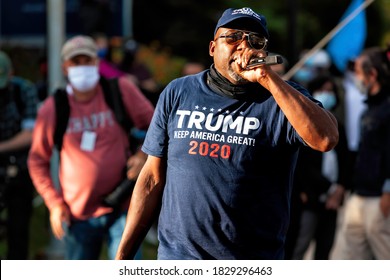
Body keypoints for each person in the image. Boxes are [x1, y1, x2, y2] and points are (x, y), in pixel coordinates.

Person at [115, 7, 338, 260]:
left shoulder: (281, 98)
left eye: (255, 41)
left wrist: (268, 78)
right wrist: (123, 257)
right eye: (232, 37)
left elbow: (325, 139)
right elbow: (151, 179)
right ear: (212, 48)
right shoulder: (178, 92)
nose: (243, 46)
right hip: (179, 258)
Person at [27, 35, 155, 260]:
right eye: (76, 62)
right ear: (65, 67)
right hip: (78, 214)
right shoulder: (54, 107)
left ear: (97, 63)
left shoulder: (119, 89)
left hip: (124, 205)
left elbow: (158, 125)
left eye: (87, 60)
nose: (82, 67)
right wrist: (54, 203)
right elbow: (37, 160)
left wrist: (142, 154)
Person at [334, 46, 390, 259]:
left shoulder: (387, 108)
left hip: (380, 198)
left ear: (372, 74)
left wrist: (388, 190)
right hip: (359, 195)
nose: (356, 77)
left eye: (358, 71)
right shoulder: (369, 108)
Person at [291, 74, 350, 260]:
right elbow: (302, 166)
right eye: (323, 90)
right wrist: (330, 188)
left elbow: (347, 162)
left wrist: (340, 189)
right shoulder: (303, 125)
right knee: (299, 247)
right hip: (310, 199)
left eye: (331, 91)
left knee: (324, 250)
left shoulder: (338, 126)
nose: (327, 94)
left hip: (331, 203)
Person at [0, 50, 39, 259]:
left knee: (18, 231)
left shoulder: (23, 90)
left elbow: (30, 134)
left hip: (19, 166)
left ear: (11, 74)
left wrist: (2, 147)